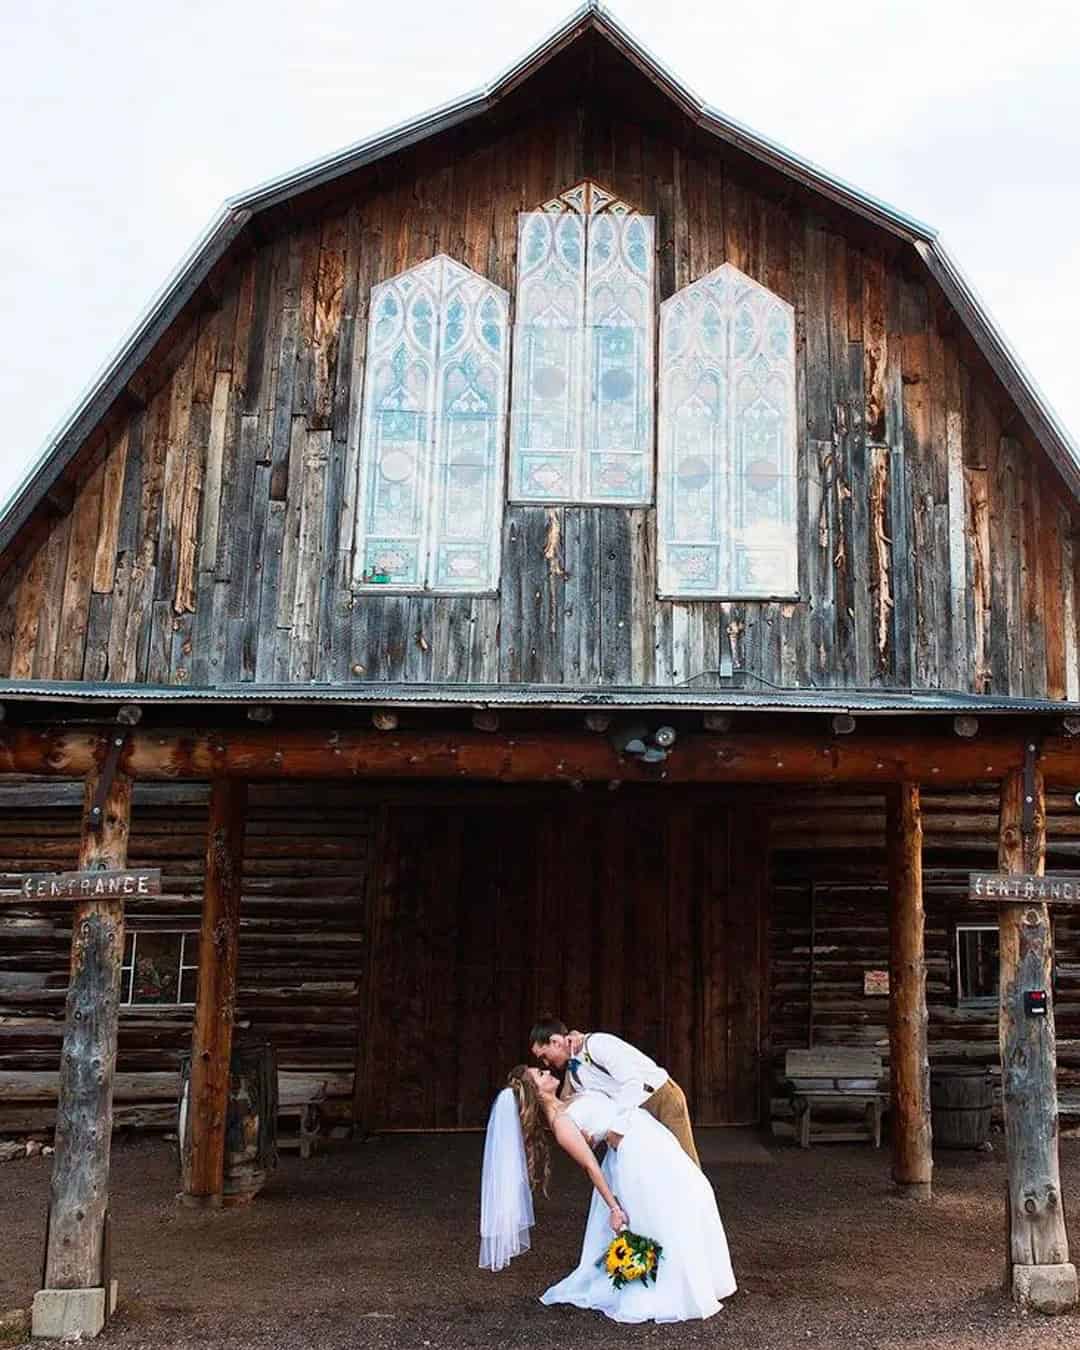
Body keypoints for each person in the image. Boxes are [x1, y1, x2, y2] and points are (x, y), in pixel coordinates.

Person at [478, 1066, 735, 1323]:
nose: (546, 1071)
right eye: (540, 1075)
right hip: (636, 1153)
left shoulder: (569, 1097)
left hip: (649, 1136)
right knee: (667, 1211)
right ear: (535, 1091)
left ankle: (703, 1278)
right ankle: (676, 1287)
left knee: (695, 1191)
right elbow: (590, 1165)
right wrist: (614, 1208)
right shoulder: (561, 1124)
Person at [529, 1017, 700, 1167]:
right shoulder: (574, 1076)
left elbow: (633, 1083)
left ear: (556, 1042)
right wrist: (592, 1137)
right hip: (635, 1115)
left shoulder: (597, 1044)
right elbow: (600, 1103)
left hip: (660, 1098)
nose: (545, 1064)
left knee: (686, 1165)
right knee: (657, 1166)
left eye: (544, 1056)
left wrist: (618, 1129)